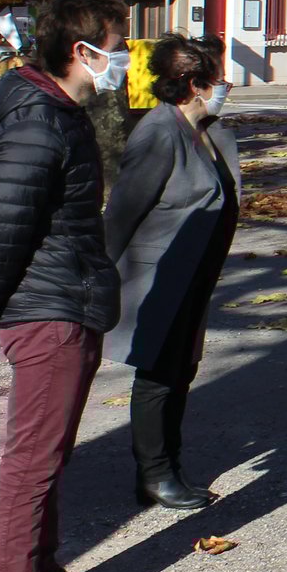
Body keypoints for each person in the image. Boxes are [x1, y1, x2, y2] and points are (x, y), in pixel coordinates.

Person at [0, 0, 129, 572]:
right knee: (29, 462)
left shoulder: (56, 112)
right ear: (82, 51)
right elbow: (4, 221)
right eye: (117, 45)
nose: (124, 57)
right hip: (48, 308)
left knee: (49, 457)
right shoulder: (38, 120)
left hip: (68, 298)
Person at [104, 35, 239, 510]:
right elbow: (122, 212)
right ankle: (155, 474)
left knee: (182, 369)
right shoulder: (159, 132)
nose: (225, 84)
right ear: (193, 84)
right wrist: (97, 277)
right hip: (158, 275)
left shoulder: (207, 129)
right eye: (217, 77)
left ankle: (170, 465)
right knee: (159, 373)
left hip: (194, 272)